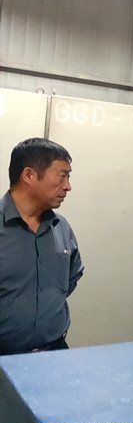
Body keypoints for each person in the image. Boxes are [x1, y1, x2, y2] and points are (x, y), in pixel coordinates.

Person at [0, 138, 83, 354]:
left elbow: (71, 276)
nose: (68, 186)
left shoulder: (60, 227)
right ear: (28, 175)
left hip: (55, 353)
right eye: (62, 176)